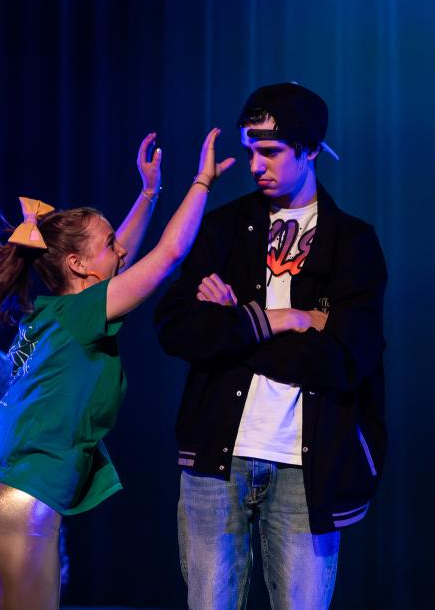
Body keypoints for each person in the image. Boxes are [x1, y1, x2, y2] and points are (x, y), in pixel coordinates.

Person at [0, 128, 232, 609]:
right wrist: (202, 182)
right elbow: (167, 256)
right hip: (19, 504)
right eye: (110, 242)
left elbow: (117, 261)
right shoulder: (79, 316)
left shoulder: (52, 314)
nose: (121, 250)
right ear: (76, 264)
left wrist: (149, 193)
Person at [154, 83, 389, 609]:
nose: (256, 165)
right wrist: (285, 321)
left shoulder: (353, 244)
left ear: (310, 149)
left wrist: (236, 323)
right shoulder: (223, 229)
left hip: (307, 468)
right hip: (217, 458)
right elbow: (173, 326)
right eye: (250, 151)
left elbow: (346, 361)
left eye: (271, 151)